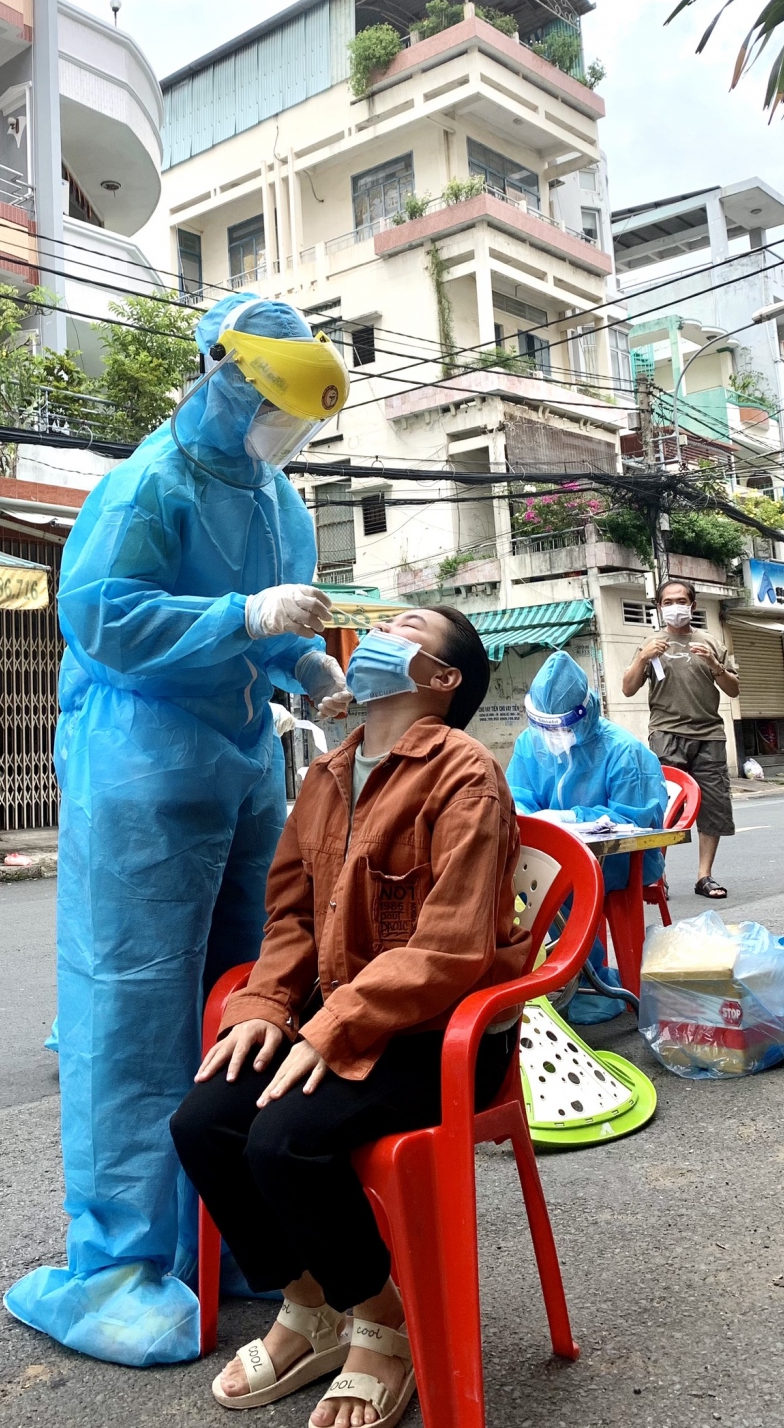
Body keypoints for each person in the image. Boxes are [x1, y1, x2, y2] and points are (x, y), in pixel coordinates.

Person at [5, 293, 354, 1367]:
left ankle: (242, 1227)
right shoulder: (144, 484)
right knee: (132, 1008)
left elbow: (274, 618)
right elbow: (101, 615)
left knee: (252, 990)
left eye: (293, 420)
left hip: (246, 765)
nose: (276, 434)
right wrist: (242, 620)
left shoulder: (279, 501)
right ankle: (112, 1258)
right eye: (268, 408)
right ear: (219, 374)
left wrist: (306, 664)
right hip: (141, 764)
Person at [171, 607, 530, 1427]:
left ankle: (382, 1321)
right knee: (205, 1120)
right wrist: (263, 1007)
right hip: (343, 1018)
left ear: (441, 680)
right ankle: (312, 1305)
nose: (374, 633)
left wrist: (334, 1027)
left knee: (284, 1137)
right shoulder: (329, 774)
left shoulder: (465, 774)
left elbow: (450, 948)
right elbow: (292, 914)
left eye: (403, 626)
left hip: (439, 1035)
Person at [507, 651, 666, 1021]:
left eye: (559, 727)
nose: (552, 737)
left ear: (584, 712)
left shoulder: (623, 750)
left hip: (619, 863)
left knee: (563, 888)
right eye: (543, 726)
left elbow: (637, 819)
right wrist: (535, 819)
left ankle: (586, 984)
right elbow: (516, 796)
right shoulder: (529, 745)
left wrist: (572, 817)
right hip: (553, 861)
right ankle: (550, 979)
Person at [621, 576, 739, 899]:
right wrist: (643, 657)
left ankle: (705, 876)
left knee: (713, 806)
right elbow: (627, 688)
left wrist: (715, 665)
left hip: (709, 734)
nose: (675, 607)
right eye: (668, 602)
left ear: (693, 606)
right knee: (664, 808)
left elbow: (733, 689)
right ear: (659, 608)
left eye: (680, 601)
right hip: (666, 735)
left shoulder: (711, 642)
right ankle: (658, 877)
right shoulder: (650, 644)